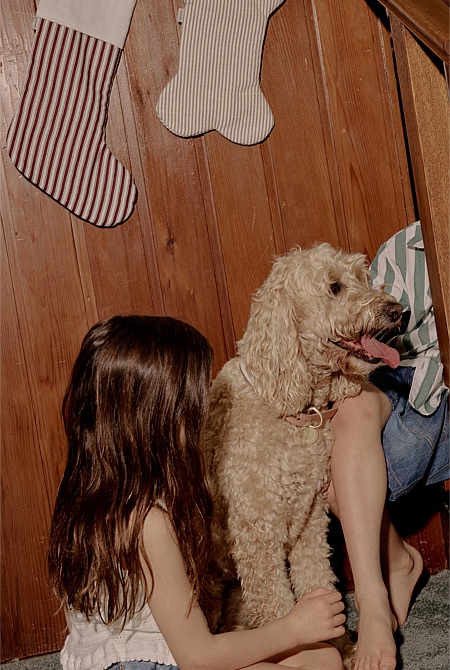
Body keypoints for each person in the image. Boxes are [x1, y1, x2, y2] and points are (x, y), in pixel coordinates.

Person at [48, 314, 347, 670]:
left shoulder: (93, 489)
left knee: (324, 658)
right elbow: (198, 657)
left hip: (146, 656)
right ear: (157, 418)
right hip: (151, 664)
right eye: (195, 400)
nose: (205, 409)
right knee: (322, 663)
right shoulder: (148, 522)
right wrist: (295, 627)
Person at [327, 221, 449, 670]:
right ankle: (376, 599)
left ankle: (398, 566)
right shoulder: (404, 251)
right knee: (330, 428)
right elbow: (366, 343)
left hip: (430, 401)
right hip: (407, 395)